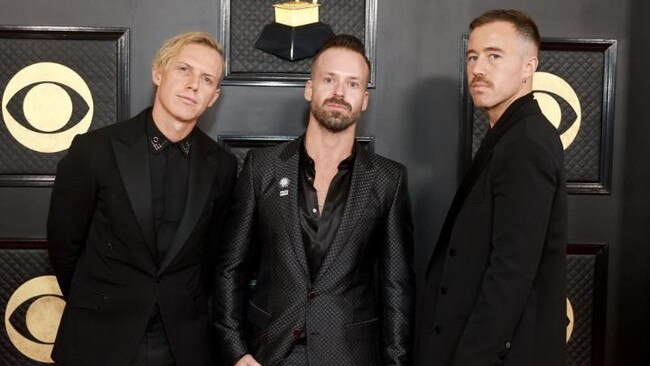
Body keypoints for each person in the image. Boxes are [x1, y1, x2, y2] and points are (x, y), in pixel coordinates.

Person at [214, 34, 414, 366]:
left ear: (364, 99)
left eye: (352, 84)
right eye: (329, 79)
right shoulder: (261, 167)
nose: (339, 92)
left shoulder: (388, 180)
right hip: (269, 353)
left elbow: (397, 290)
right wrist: (236, 351)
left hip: (350, 357)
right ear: (310, 89)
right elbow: (230, 269)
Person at [47, 31, 237, 366]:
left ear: (214, 97)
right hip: (99, 338)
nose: (194, 84)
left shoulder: (222, 166)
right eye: (184, 69)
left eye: (206, 79)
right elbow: (64, 245)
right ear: (158, 73)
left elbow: (213, 256)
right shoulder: (94, 150)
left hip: (182, 344)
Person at [415, 9, 568, 366]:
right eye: (472, 56)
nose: (478, 69)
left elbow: (510, 274)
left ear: (529, 67)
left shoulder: (525, 143)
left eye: (494, 56)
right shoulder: (506, 136)